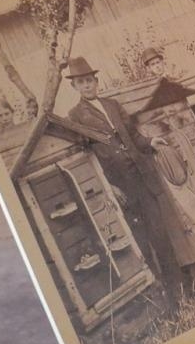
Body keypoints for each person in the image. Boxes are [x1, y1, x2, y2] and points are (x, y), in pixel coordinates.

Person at [62, 56, 187, 304]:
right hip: (119, 187)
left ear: (96, 81)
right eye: (81, 82)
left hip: (142, 177)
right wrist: (108, 186)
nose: (87, 85)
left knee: (160, 233)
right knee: (140, 240)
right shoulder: (75, 116)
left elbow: (133, 135)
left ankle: (180, 290)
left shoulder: (112, 105)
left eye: (89, 80)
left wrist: (150, 142)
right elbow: (88, 156)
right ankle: (160, 295)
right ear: (74, 86)